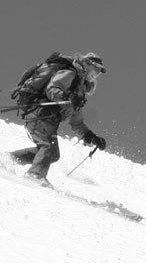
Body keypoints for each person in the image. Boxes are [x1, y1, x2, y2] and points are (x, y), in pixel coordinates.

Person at [9, 52, 107, 184]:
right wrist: (67, 96)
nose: (96, 74)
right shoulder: (71, 73)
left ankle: (9, 159)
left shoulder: (79, 90)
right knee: (48, 148)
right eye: (96, 69)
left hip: (48, 117)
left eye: (99, 72)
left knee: (53, 153)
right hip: (41, 112)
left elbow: (76, 121)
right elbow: (52, 89)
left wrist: (91, 137)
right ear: (87, 63)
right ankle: (34, 175)